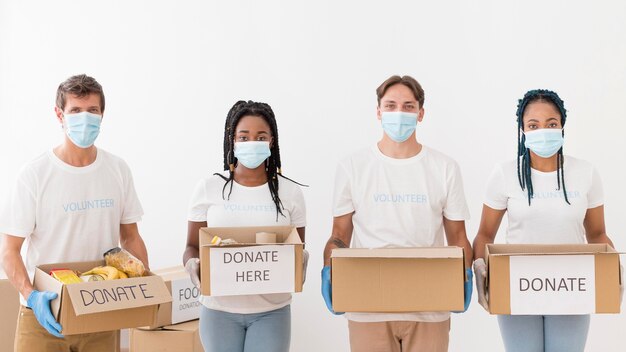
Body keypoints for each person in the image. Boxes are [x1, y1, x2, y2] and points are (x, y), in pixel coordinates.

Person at [321, 75, 473, 352]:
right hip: (368, 306)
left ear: (421, 113)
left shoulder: (444, 168)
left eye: (408, 106)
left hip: (430, 306)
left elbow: (458, 236)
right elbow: (340, 234)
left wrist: (464, 274)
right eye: (390, 106)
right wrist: (330, 270)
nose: (399, 113)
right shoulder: (353, 167)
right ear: (378, 112)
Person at [0, 74, 150, 351]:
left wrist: (144, 287)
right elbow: (10, 250)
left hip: (100, 311)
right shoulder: (35, 175)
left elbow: (130, 237)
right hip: (44, 316)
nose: (85, 118)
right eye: (76, 110)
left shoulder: (117, 170)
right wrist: (31, 296)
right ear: (60, 115)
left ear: (103, 114)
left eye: (92, 110)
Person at [472, 89, 621, 352]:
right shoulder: (505, 174)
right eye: (533, 125)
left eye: (551, 124)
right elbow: (485, 233)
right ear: (523, 130)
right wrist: (481, 268)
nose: (543, 131)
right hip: (517, 287)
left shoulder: (585, 173)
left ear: (562, 126)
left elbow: (597, 233)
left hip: (573, 286)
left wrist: (613, 269)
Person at [183, 100, 307, 352]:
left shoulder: (290, 192)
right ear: (233, 140)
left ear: (272, 141)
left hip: (271, 311)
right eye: (244, 136)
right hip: (219, 311)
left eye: (261, 137)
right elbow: (192, 245)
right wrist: (193, 264)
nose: (253, 142)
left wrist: (301, 260)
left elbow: (296, 247)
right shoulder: (209, 188)